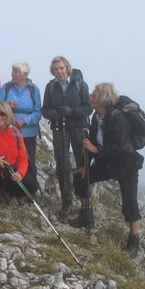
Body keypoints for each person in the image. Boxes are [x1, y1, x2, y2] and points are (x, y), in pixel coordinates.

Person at [72, 83, 144, 257]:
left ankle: (134, 241)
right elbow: (90, 142)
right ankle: (86, 215)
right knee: (81, 177)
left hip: (125, 164)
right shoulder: (97, 117)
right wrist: (85, 165)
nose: (90, 98)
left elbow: (120, 146)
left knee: (129, 201)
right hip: (107, 161)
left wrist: (96, 150)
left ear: (104, 99)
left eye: (94, 96)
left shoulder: (117, 117)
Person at [41, 55, 92, 221]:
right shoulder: (51, 87)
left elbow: (88, 107)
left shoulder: (79, 85)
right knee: (62, 165)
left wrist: (72, 111)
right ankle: (67, 202)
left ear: (67, 68)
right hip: (59, 128)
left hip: (78, 128)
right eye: (56, 69)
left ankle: (86, 204)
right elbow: (45, 109)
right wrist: (52, 113)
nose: (59, 72)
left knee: (82, 164)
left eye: (61, 68)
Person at [0, 60, 41, 177]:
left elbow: (37, 113)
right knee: (9, 159)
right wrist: (7, 105)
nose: (12, 74)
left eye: (16, 72)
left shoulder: (34, 89)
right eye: (13, 71)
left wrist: (24, 121)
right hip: (8, 131)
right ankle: (10, 185)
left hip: (28, 133)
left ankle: (30, 185)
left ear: (25, 74)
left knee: (29, 160)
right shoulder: (7, 87)